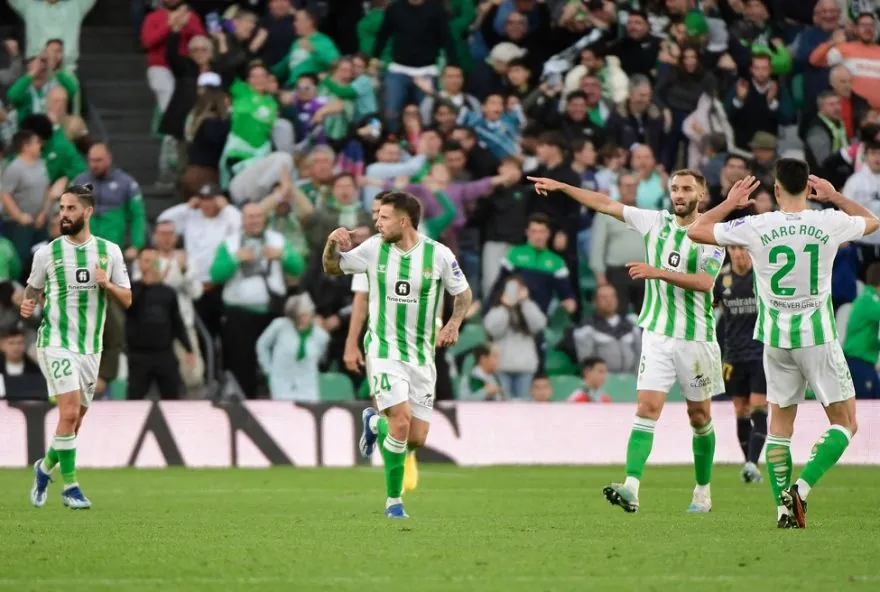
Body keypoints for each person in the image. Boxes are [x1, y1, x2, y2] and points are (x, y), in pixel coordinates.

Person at [688, 160, 879, 529]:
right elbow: (872, 221)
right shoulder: (827, 221)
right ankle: (800, 490)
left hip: (775, 340)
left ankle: (783, 511)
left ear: (775, 190)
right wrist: (835, 196)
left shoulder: (757, 225)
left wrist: (730, 202)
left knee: (779, 427)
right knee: (846, 423)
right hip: (817, 337)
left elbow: (696, 230)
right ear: (808, 189)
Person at [529, 169, 726, 514]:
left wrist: (658, 272)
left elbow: (705, 282)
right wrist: (562, 187)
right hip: (657, 335)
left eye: (687, 189)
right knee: (646, 409)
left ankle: (702, 492)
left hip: (696, 340)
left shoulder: (712, 235)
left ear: (701, 195)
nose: (679, 194)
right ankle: (631, 487)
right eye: (675, 188)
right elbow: (605, 203)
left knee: (699, 416)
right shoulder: (655, 222)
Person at [322, 190, 472, 519]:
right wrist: (332, 244)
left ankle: (375, 423)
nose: (377, 222)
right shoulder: (373, 249)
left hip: (421, 356)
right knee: (401, 423)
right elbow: (333, 267)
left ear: (404, 221)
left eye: (384, 217)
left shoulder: (438, 254)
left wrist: (453, 323)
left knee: (416, 438)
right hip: (384, 349)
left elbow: (463, 294)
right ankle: (394, 502)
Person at [20, 184, 133, 509]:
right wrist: (28, 304)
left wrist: (106, 283)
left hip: (90, 348)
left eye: (71, 208)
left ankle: (44, 468)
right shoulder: (47, 253)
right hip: (55, 341)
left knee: (74, 422)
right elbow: (33, 289)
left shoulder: (109, 251)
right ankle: (71, 488)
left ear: (88, 212)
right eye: (62, 208)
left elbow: (127, 298)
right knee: (68, 413)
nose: (64, 215)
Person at [714, 245, 767, 484]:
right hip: (733, 355)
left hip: (760, 353)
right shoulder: (721, 279)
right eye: (734, 248)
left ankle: (752, 463)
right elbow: (710, 308)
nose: (739, 253)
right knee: (741, 410)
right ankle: (749, 465)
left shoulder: (762, 275)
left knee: (759, 406)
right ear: (728, 250)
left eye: (743, 248)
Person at [842, 263, 880, 399]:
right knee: (866, 405)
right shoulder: (870, 300)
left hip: (861, 361)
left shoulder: (865, 297)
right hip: (859, 362)